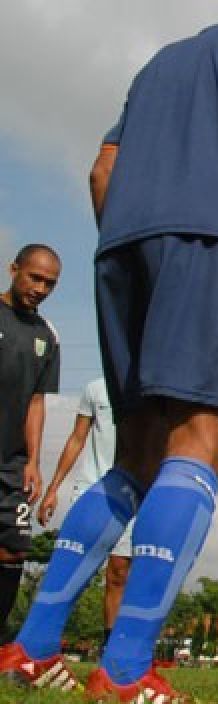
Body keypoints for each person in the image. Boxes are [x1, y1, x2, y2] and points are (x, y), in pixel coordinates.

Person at [2, 0, 218, 701]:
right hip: (204, 243)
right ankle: (123, 670)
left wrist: (131, 249)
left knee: (135, 454)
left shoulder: (158, 64)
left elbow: (102, 170)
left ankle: (30, 646)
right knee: (199, 440)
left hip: (119, 249)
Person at [38, 378, 132, 647]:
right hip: (93, 487)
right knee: (73, 565)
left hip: (130, 489)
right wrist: (53, 488)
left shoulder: (149, 388)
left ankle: (110, 647)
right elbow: (77, 438)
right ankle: (44, 637)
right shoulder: (95, 388)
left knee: (118, 571)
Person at [0, 245, 61, 639]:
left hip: (12, 462)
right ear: (13, 269)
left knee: (14, 549)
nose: (40, 288)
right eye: (35, 277)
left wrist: (34, 461)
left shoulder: (47, 335)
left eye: (50, 284)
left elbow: (36, 402)